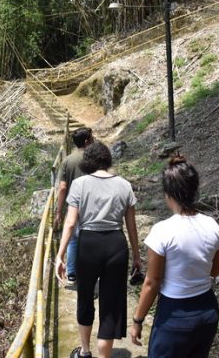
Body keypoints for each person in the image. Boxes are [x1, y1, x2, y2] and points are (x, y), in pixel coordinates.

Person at [130, 154, 219, 357]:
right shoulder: (213, 226)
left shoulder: (162, 231)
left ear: (168, 194)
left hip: (174, 316)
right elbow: (215, 270)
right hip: (207, 311)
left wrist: (137, 320)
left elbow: (152, 282)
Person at [55, 141, 142, 358]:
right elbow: (132, 226)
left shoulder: (80, 184)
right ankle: (105, 355)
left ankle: (85, 352)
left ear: (88, 162)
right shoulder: (124, 185)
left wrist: (60, 254)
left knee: (85, 297)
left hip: (88, 244)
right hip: (116, 243)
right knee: (110, 301)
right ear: (107, 160)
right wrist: (137, 257)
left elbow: (70, 223)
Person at [54, 127, 94, 283]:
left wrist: (59, 211)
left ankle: (71, 272)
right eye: (92, 138)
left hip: (73, 206)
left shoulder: (68, 160)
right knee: (90, 238)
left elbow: (62, 187)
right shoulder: (93, 159)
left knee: (73, 239)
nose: (94, 140)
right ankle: (89, 271)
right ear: (86, 141)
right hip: (92, 205)